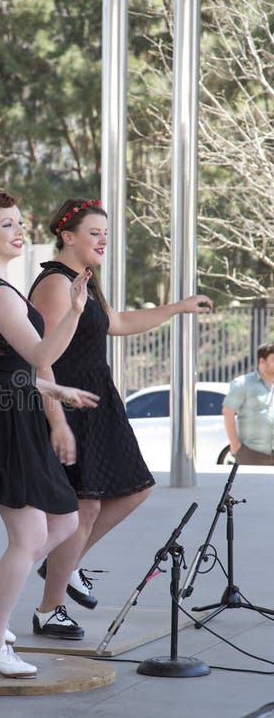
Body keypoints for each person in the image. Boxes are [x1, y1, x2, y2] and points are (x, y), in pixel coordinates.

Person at [30, 198, 213, 610]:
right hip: (72, 403)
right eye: (94, 233)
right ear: (67, 237)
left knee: (135, 489)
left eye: (106, 234)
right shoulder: (56, 284)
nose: (103, 241)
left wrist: (179, 307)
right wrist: (57, 420)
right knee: (86, 505)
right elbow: (41, 360)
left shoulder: (85, 280)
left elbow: (118, 323)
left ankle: (65, 562)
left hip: (101, 402)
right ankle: (50, 608)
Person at [0, 191, 100, 679]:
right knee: (33, 532)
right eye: (7, 224)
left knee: (60, 522)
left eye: (20, 222)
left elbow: (7, 368)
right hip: (4, 416)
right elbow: (36, 353)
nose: (19, 231)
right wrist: (75, 311)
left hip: (11, 405)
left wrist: (56, 390)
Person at [222, 341, 274, 465]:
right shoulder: (243, 383)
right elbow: (228, 411)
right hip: (252, 454)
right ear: (262, 361)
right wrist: (235, 445)